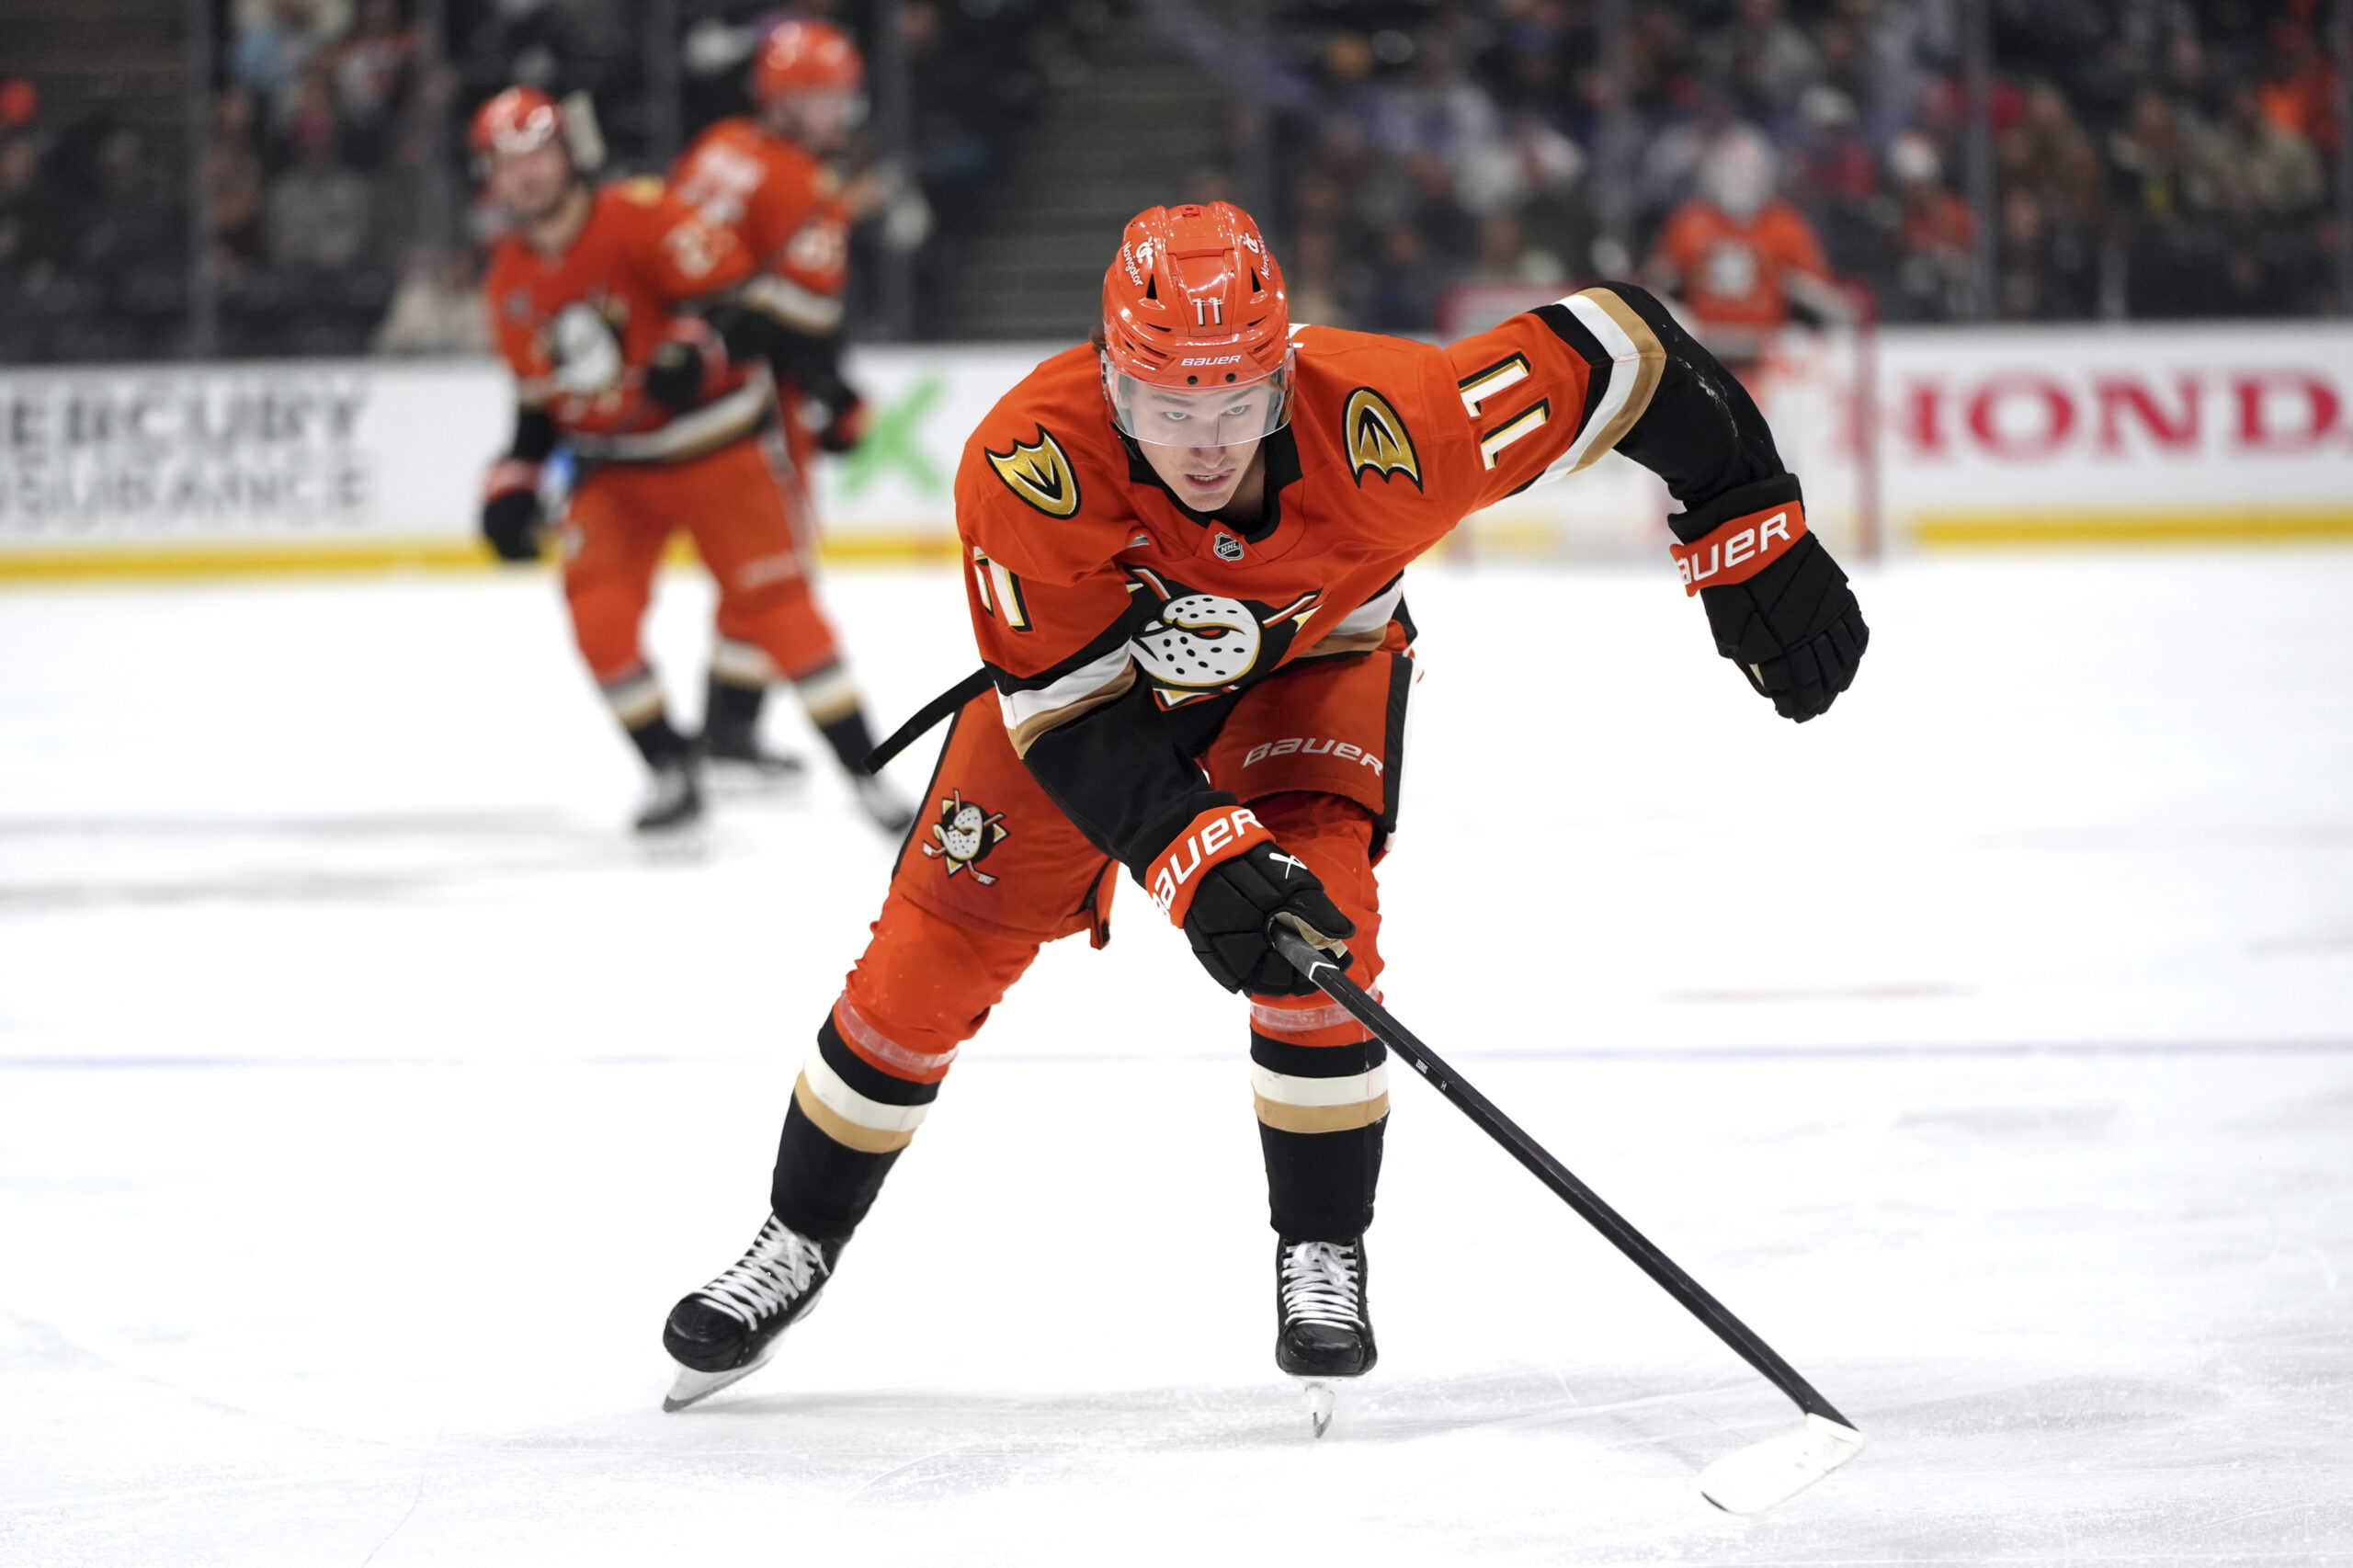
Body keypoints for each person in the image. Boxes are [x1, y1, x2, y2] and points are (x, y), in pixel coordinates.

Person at [657, 201, 1869, 1419]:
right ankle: (796, 1236)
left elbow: (1625, 351)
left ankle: (1322, 1245)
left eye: (1236, 403)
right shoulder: (1031, 461)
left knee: (1321, 923)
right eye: (1168, 405)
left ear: (1285, 376)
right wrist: (1194, 853)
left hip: (1313, 659)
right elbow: (1068, 718)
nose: (1202, 442)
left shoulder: (1398, 421)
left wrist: (1748, 528)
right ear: (1109, 372)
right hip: (1096, 699)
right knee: (929, 954)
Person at [472, 85, 908, 833]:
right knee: (598, 621)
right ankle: (673, 770)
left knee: (782, 613)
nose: (528, 175)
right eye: (508, 163)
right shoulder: (508, 281)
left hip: (719, 454)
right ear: (491, 177)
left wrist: (700, 352)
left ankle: (870, 777)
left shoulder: (640, 215)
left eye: (538, 153)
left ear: (569, 151)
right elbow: (540, 408)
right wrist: (511, 483)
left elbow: (745, 309)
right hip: (613, 473)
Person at [666, 19, 912, 822]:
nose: (835, 112)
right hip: (750, 399)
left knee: (760, 564)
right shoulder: (805, 185)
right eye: (817, 97)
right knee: (779, 563)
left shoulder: (718, 145)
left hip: (686, 382)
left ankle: (730, 729)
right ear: (777, 97)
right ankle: (739, 730)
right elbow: (797, 323)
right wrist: (836, 395)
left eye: (840, 95)